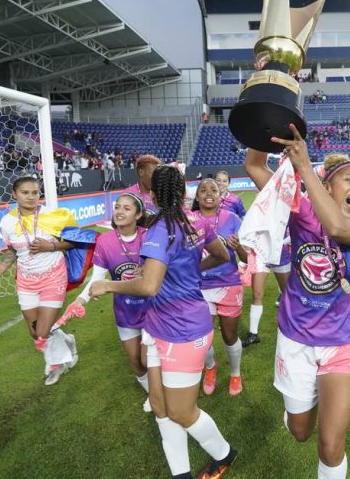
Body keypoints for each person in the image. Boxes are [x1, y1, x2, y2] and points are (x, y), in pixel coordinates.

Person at [245, 124, 350, 479]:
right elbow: (254, 167)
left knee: (330, 445)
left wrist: (305, 168)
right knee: (300, 432)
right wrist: (267, 112)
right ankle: (299, 407)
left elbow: (338, 229)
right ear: (327, 187)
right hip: (296, 339)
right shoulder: (302, 211)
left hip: (342, 343)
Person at [89, 165, 237, 479]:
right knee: (159, 405)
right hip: (156, 325)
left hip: (183, 331)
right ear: (184, 192)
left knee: (182, 411)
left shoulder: (159, 230)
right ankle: (180, 474)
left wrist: (108, 285)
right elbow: (222, 256)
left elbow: (148, 286)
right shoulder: (195, 220)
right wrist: (193, 270)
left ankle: (225, 455)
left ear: (153, 196)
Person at [0, 176, 77, 386]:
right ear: (14, 195)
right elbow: (12, 253)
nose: (31, 197)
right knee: (35, 333)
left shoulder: (53, 216)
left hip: (53, 275)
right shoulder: (7, 223)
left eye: (35, 192)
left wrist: (51, 247)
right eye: (25, 193)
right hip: (26, 281)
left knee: (43, 331)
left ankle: (56, 365)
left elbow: (75, 242)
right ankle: (66, 341)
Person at [73, 193, 151, 409]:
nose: (120, 211)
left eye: (127, 208)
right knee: (135, 362)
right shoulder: (105, 241)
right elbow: (97, 278)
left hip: (152, 309)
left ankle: (160, 397)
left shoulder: (149, 236)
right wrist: (81, 300)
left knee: (148, 360)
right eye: (117, 207)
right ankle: (154, 395)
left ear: (138, 215)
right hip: (125, 312)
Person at [192, 178, 248, 397]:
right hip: (199, 287)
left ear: (220, 195)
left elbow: (246, 258)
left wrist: (239, 247)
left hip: (229, 285)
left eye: (213, 189)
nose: (208, 193)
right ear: (197, 197)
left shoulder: (232, 219)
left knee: (229, 336)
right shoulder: (189, 220)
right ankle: (210, 367)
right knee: (202, 336)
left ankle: (235, 373)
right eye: (203, 190)